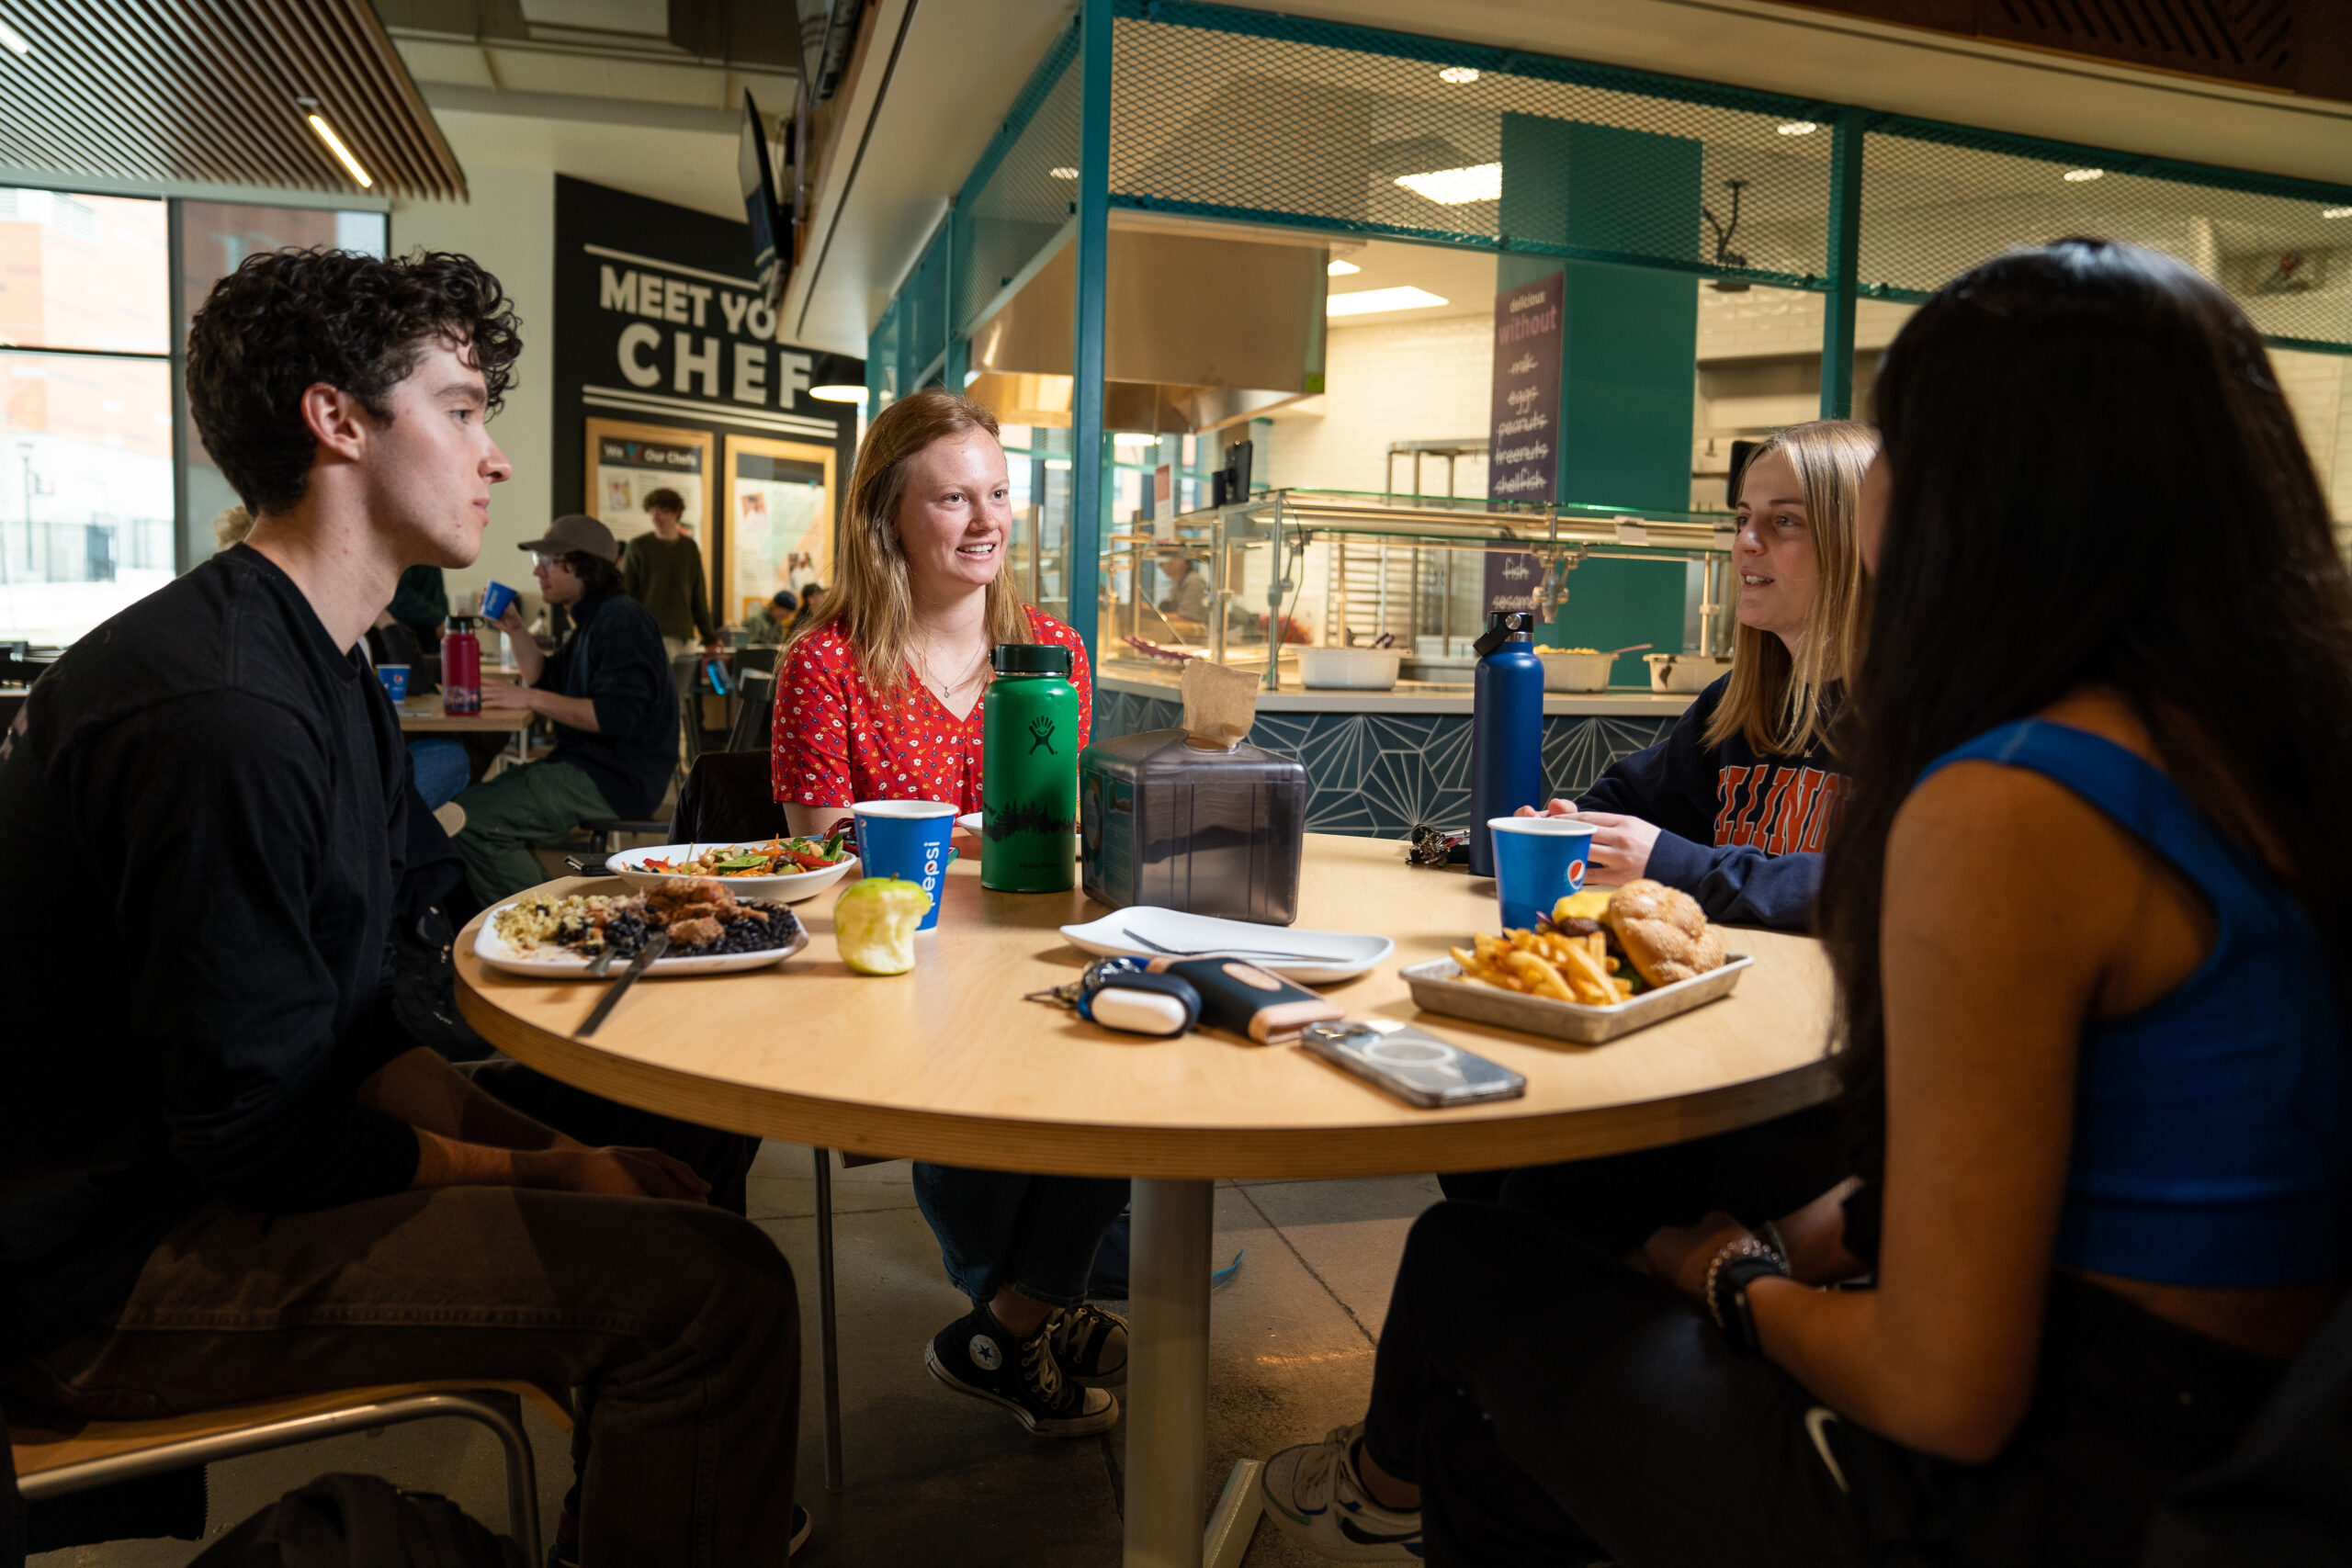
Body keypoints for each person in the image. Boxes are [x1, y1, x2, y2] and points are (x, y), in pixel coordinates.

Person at [1259, 239, 2352, 1565]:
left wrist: (1729, 1277)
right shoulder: (2259, 753)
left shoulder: (2019, 801)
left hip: (2055, 1498)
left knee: (1466, 1266)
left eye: (1891, 432)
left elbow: (1946, 1383)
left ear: (1986, 486)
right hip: (2258, 1448)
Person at [0, 247, 802, 1565]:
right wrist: (555, 1172)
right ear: (338, 420)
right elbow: (263, 1142)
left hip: (211, 1175)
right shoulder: (224, 713)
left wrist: (570, 1163)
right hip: (105, 1268)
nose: (494, 456)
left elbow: (366, 1034)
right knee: (714, 1294)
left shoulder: (317, 663)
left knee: (682, 1146)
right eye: (464, 406)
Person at [771, 388, 1127, 1438]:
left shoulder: (1053, 652)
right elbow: (824, 846)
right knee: (985, 1085)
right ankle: (1027, 1316)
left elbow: (1058, 827)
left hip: (1029, 942)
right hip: (903, 969)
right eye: (952, 500)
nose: (986, 522)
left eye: (999, 494)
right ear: (886, 516)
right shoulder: (825, 662)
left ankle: (1011, 1323)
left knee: (1122, 1067)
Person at [1437, 421, 1878, 1232]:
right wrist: (1573, 823)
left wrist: (1675, 863)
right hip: (1707, 1035)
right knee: (1475, 1140)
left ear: (1861, 543)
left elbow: (1878, 887)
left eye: (1784, 522)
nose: (1747, 543)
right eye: (1742, 517)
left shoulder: (1918, 723)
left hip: (1815, 1079)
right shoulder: (1734, 707)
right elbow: (1631, 798)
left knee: (1538, 1187)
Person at [449, 513, 678, 903]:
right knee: (463, 812)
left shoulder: (622, 621)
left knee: (472, 821)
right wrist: (517, 630)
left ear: (585, 569)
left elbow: (615, 717)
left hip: (614, 779)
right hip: (586, 768)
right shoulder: (592, 623)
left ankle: (551, 923)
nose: (539, 572)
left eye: (551, 563)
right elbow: (543, 677)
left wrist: (530, 699)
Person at [622, 486, 722, 660]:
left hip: (683, 637)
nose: (655, 517)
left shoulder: (689, 548)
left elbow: (698, 596)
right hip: (648, 634)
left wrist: (710, 638)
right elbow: (624, 594)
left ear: (676, 513)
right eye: (652, 511)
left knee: (681, 687)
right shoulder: (638, 546)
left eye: (661, 511)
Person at [1153, 547, 1212, 625]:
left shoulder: (1194, 582)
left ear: (1180, 561)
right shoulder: (1178, 580)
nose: (1159, 565)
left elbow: (1187, 618)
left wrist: (1153, 616)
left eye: (1164, 560)